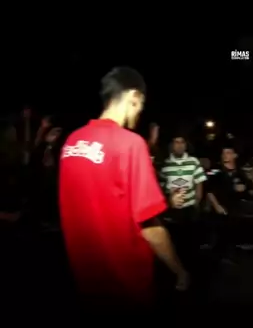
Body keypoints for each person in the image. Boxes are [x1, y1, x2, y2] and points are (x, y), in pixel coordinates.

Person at [59, 66, 188, 309]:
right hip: (127, 284)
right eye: (140, 105)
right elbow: (151, 228)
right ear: (134, 97)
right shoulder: (130, 144)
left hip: (86, 281)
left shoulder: (72, 142)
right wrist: (179, 270)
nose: (139, 113)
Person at [160, 134, 207, 271]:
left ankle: (192, 271)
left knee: (191, 244)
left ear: (186, 145)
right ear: (171, 145)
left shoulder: (193, 161)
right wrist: (168, 198)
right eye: (176, 142)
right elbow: (161, 186)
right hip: (173, 211)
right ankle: (177, 271)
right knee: (174, 244)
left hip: (189, 209)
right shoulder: (166, 164)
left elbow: (199, 182)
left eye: (182, 142)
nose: (180, 145)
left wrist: (197, 202)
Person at [207, 146, 253, 263]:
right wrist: (216, 206)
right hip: (219, 211)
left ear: (235, 155)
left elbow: (251, 191)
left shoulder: (241, 173)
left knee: (232, 238)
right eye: (223, 153)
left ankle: (231, 259)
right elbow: (209, 191)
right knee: (218, 239)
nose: (225, 155)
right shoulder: (216, 172)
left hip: (235, 211)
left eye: (228, 153)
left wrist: (246, 187)